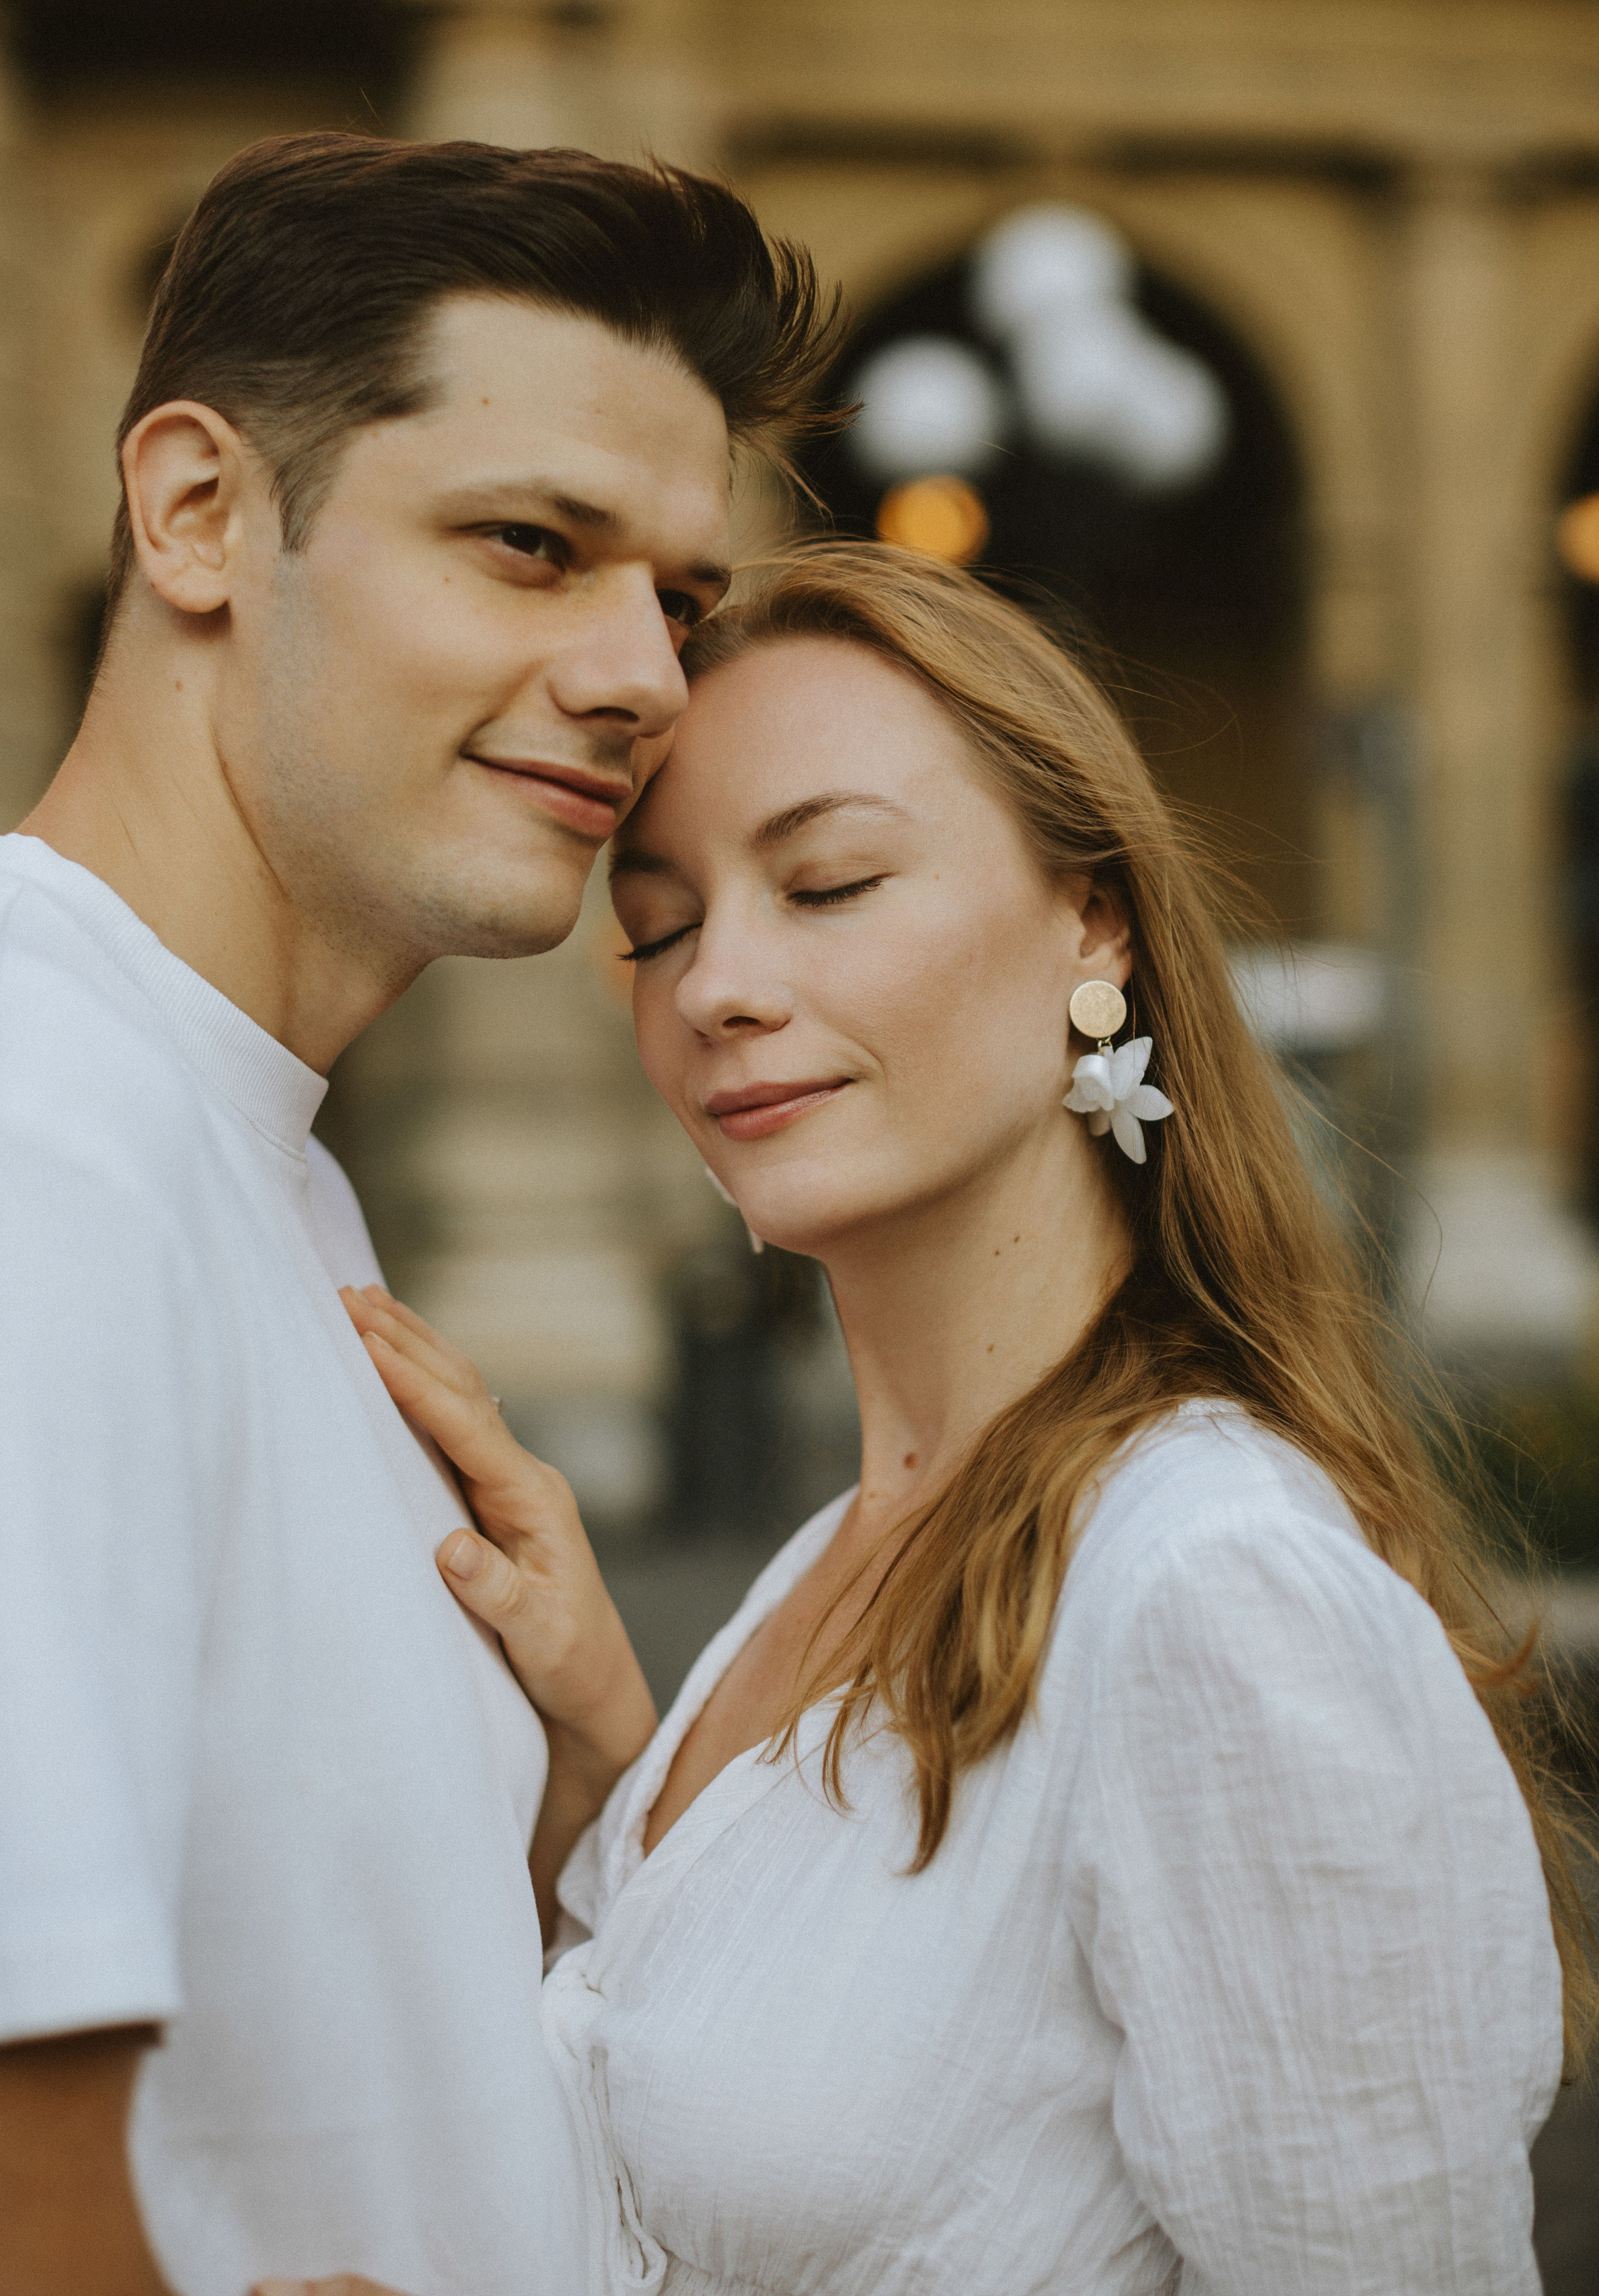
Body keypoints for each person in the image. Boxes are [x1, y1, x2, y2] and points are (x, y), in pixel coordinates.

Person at [326, 540, 1592, 2296]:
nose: (717, 987)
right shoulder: (817, 1562)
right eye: (661, 925)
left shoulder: (1218, 1594)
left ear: (1095, 918)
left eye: (830, 881)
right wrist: (619, 1769)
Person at [0, 131, 838, 2296]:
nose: (650, 672)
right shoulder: (42, 1126)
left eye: (682, 595)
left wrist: (565, 1786)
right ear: (198, 513)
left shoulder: (239, 1145)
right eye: (533, 546)